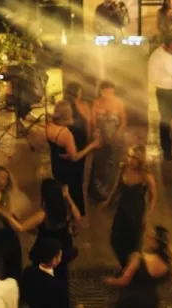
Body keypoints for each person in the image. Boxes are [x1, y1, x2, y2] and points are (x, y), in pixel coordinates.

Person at [44, 101, 98, 220]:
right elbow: (75, 157)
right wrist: (92, 146)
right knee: (73, 191)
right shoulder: (65, 134)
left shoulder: (48, 126)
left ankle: (61, 212)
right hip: (68, 169)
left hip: (56, 164)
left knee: (61, 189)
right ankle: (74, 216)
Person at [21, 177, 79, 285]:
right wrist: (68, 196)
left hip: (46, 248)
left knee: (42, 276)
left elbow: (22, 227)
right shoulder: (65, 209)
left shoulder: (43, 214)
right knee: (61, 273)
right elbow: (78, 217)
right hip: (63, 246)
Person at [107, 144, 156, 267]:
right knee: (115, 240)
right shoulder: (123, 168)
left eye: (134, 157)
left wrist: (147, 215)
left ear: (140, 159)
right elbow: (117, 187)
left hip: (136, 214)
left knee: (134, 247)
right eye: (129, 156)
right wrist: (108, 202)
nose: (130, 160)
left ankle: (131, 270)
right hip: (122, 210)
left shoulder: (146, 175)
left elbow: (153, 196)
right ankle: (126, 266)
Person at [88, 80, 127, 202]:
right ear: (101, 91)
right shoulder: (96, 102)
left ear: (113, 91)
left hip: (115, 139)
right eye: (105, 91)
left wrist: (118, 133)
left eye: (110, 91)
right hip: (101, 138)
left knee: (112, 165)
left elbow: (123, 121)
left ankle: (111, 193)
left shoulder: (119, 103)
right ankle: (97, 192)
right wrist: (96, 134)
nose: (108, 94)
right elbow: (93, 122)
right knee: (99, 164)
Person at [62, 82, 93, 217]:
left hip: (80, 143)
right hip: (72, 145)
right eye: (79, 91)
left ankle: (74, 208)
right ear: (75, 93)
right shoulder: (66, 108)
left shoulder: (79, 105)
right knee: (73, 178)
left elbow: (86, 124)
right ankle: (74, 209)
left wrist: (88, 138)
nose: (81, 94)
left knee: (77, 177)